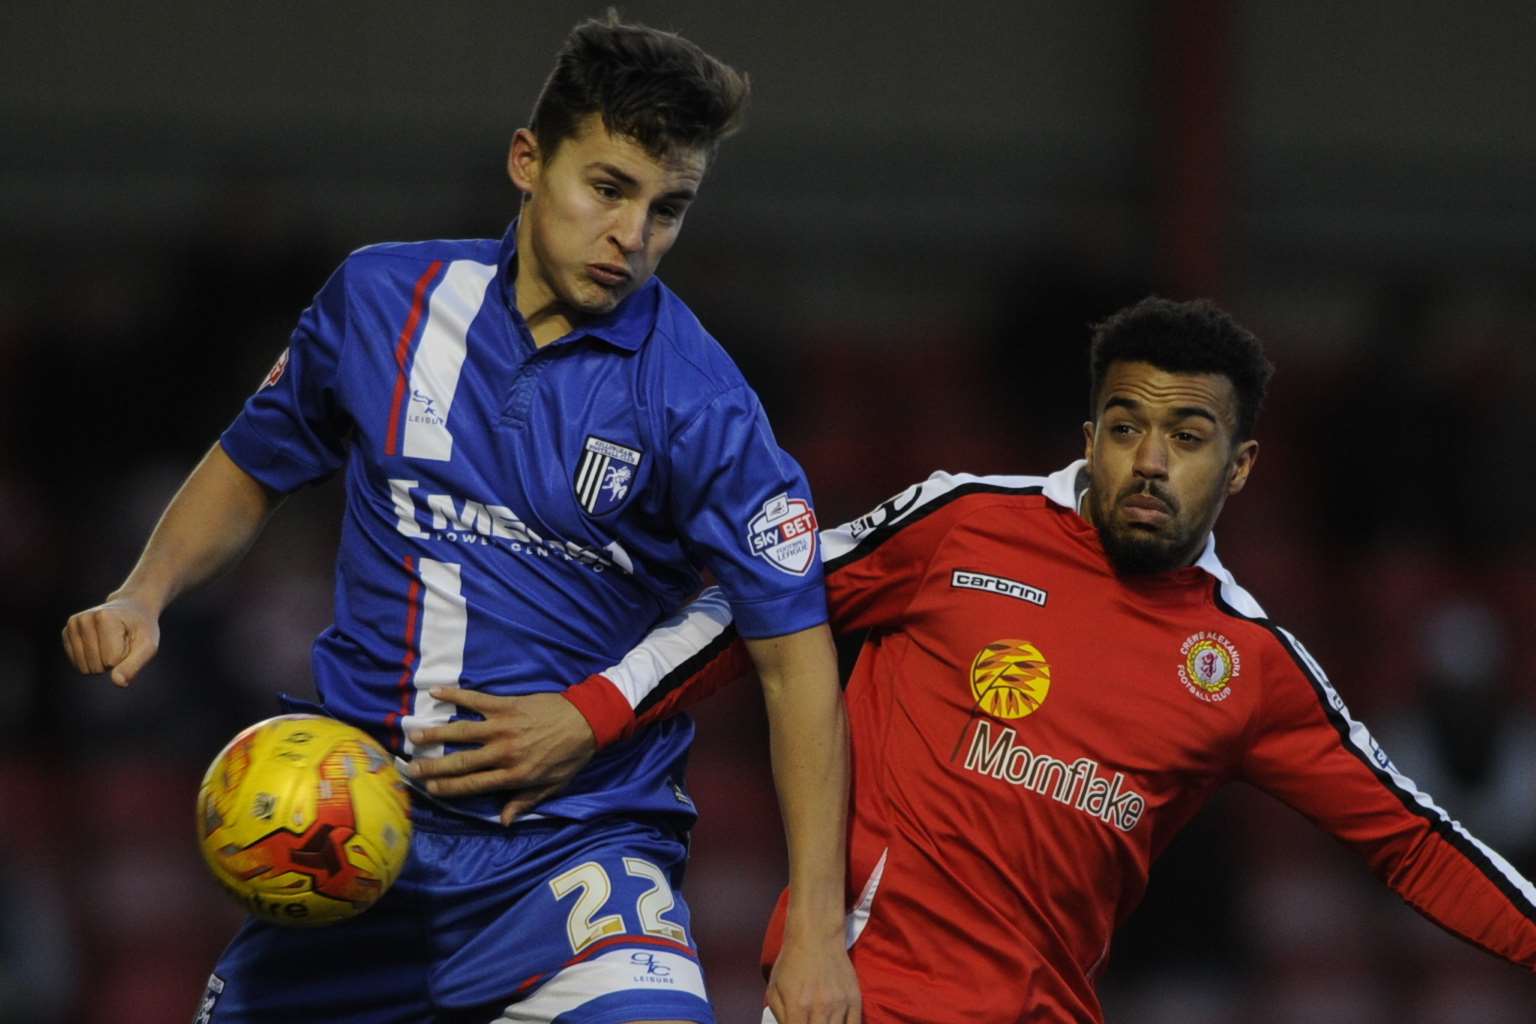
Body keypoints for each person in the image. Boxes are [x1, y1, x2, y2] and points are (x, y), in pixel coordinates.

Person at [61, 13, 858, 1024]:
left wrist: (819, 931)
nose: (632, 236)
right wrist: (146, 590)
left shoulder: (704, 403)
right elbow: (253, 463)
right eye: (608, 189)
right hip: (360, 846)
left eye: (669, 208)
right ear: (528, 160)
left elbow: (795, 660)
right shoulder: (383, 300)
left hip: (579, 858)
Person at [547, 297, 1536, 1022]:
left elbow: (1410, 836)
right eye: (1126, 427)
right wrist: (591, 711)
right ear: (1090, 435)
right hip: (860, 995)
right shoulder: (964, 523)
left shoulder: (1246, 664)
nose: (1149, 461)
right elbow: (762, 602)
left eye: (1188, 436)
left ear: (1239, 467)